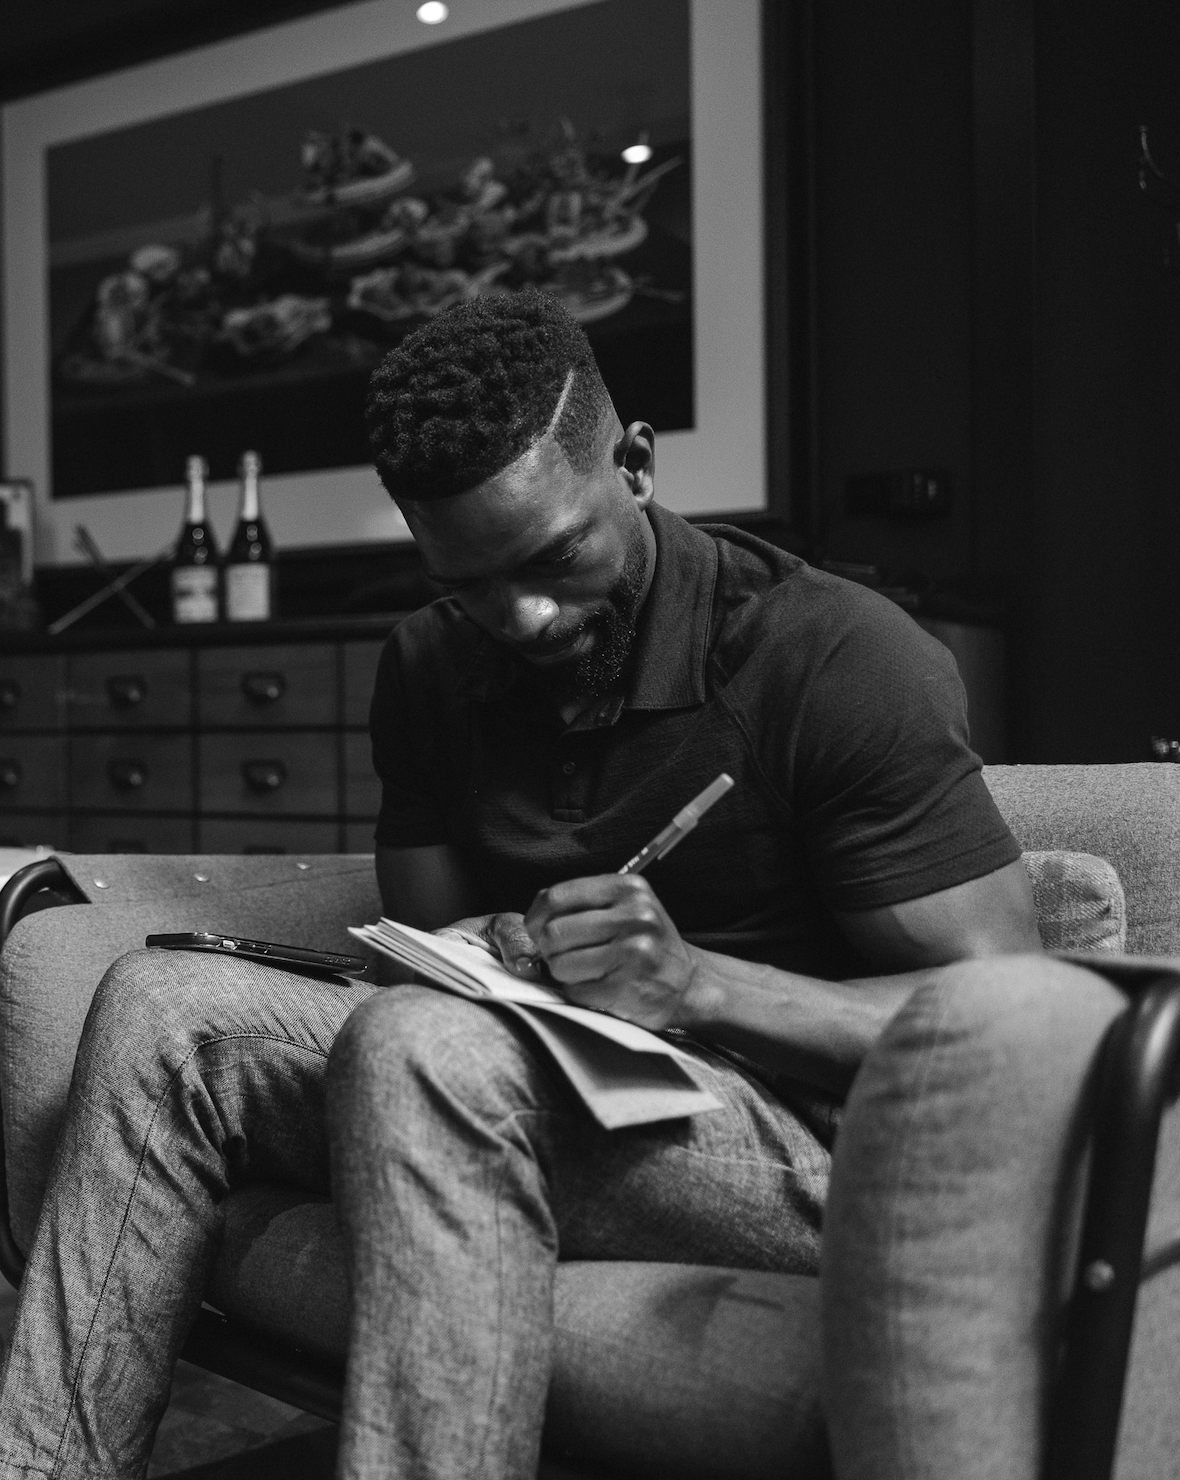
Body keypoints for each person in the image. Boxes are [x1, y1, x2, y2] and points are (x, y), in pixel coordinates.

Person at [0, 289, 1104, 1480]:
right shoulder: (429, 662)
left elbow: (1007, 1030)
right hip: (523, 1076)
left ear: (634, 465)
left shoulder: (831, 653)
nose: (521, 615)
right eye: (468, 581)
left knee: (421, 1047)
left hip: (801, 1138)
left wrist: (696, 983)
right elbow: (421, 952)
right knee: (160, 1003)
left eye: (553, 556)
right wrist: (480, 948)